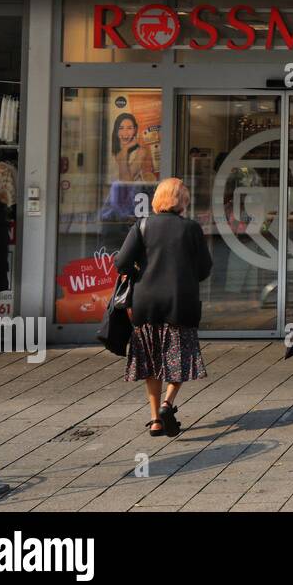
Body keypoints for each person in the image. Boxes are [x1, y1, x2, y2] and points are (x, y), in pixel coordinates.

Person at [115, 177, 213, 438]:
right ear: (183, 201)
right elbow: (205, 269)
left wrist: (138, 272)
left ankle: (155, 418)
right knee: (179, 359)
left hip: (145, 303)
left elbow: (121, 262)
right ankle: (169, 403)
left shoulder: (142, 226)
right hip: (180, 303)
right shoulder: (191, 229)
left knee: (151, 361)